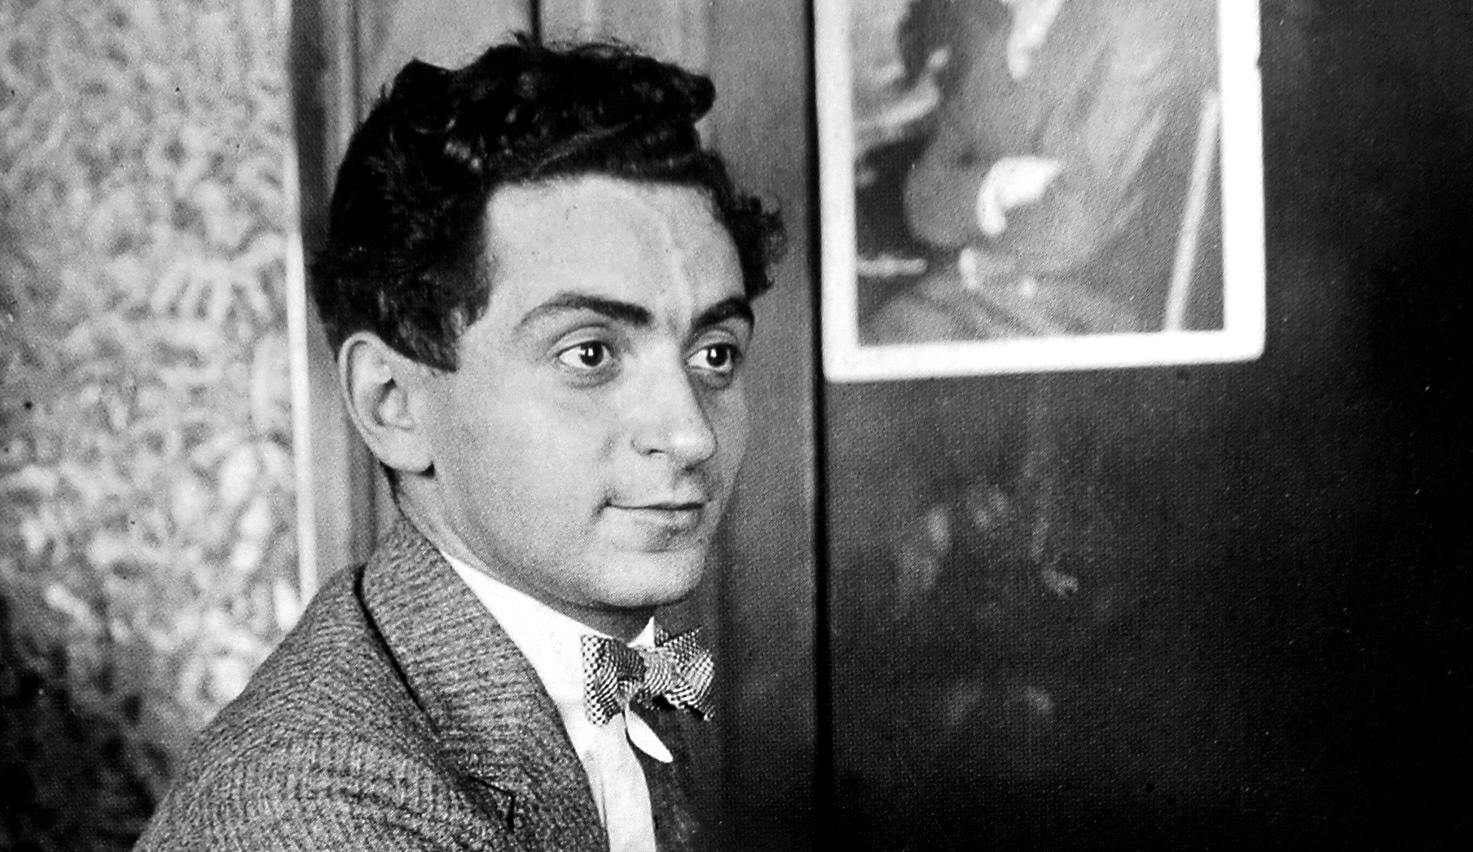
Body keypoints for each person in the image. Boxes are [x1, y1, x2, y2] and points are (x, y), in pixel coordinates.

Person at [136, 36, 782, 852]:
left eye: (714, 354)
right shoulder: (312, 816)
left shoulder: (603, 650)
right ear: (393, 403)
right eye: (590, 354)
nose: (690, 434)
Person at [866, 0, 1211, 343]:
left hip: (1069, 315)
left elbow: (1076, 221)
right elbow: (922, 198)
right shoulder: (1002, 34)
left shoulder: (1136, 30)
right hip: (973, 290)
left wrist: (974, 232)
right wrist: (996, 184)